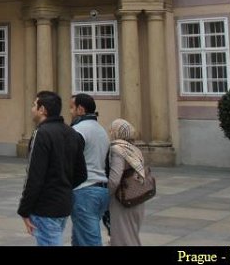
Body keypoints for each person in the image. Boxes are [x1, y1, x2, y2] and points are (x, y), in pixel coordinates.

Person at [18, 90, 87, 246]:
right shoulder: (72, 132)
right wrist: (63, 187)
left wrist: (24, 209)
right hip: (63, 204)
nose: (32, 108)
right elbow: (82, 174)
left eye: (34, 105)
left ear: (43, 110)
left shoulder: (41, 133)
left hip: (45, 207)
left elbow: (34, 176)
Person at [69, 93, 109, 246]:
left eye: (72, 108)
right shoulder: (101, 130)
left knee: (89, 241)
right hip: (102, 190)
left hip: (85, 191)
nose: (70, 112)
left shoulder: (79, 130)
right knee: (80, 238)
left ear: (80, 109)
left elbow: (70, 160)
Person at [107, 118, 146, 246]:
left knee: (122, 237)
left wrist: (106, 195)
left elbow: (115, 178)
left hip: (122, 200)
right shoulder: (134, 149)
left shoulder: (117, 149)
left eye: (112, 130)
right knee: (132, 234)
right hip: (137, 196)